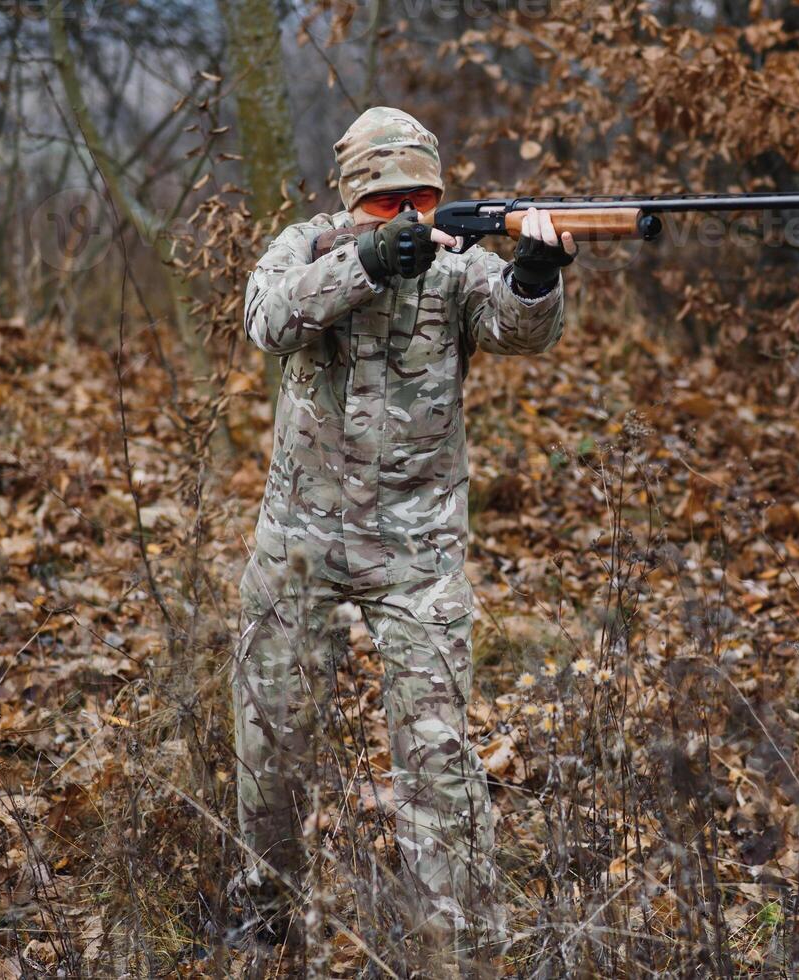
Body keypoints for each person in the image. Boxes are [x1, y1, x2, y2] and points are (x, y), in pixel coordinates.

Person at [230, 106, 574, 969]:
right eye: (388, 204)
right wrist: (367, 262)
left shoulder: (460, 268)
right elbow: (268, 320)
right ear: (352, 203)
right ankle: (266, 917)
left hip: (417, 553)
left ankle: (455, 948)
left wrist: (534, 273)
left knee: (437, 760)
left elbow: (516, 326)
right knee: (270, 748)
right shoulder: (306, 245)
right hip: (299, 544)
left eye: (422, 197)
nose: (411, 216)